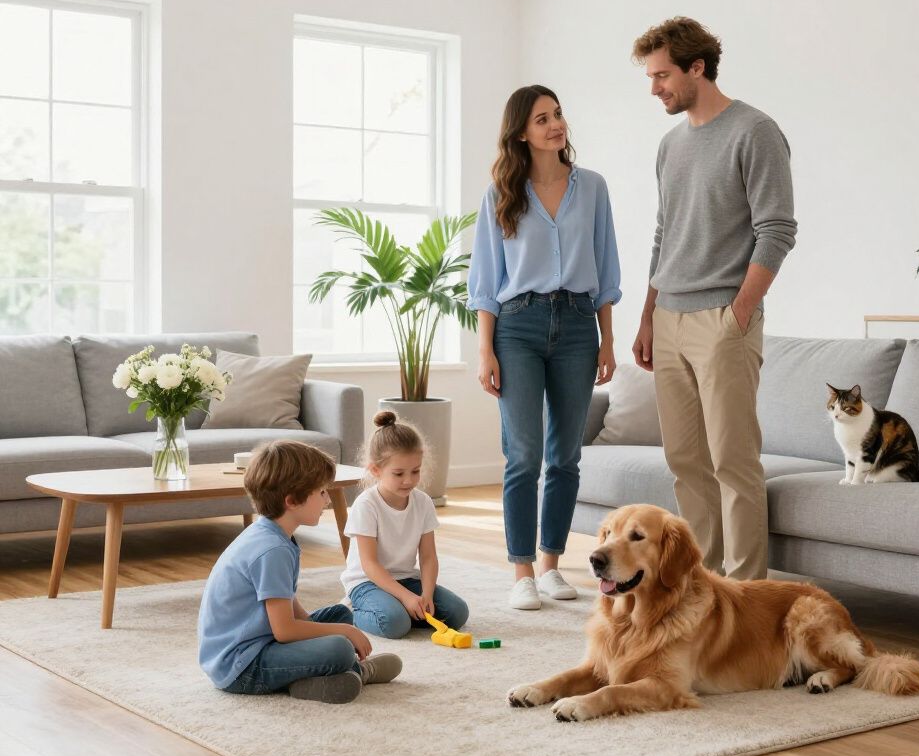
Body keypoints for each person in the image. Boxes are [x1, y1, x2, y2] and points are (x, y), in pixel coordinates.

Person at [631, 16, 797, 581]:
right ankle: (702, 584)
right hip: (669, 317)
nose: (655, 88)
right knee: (685, 461)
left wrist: (740, 311)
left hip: (723, 318)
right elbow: (664, 234)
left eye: (662, 76)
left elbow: (777, 229)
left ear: (697, 68)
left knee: (733, 461)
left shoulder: (755, 131)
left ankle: (745, 591)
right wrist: (648, 317)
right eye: (651, 78)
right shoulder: (670, 145)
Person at [469, 84, 621, 610]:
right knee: (523, 455)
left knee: (565, 455)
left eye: (557, 114)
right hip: (518, 326)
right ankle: (522, 572)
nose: (556, 125)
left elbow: (605, 267)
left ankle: (552, 565)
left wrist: (607, 339)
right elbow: (486, 281)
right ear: (520, 132)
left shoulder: (592, 187)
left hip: (579, 324)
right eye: (541, 119)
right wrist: (485, 350)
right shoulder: (500, 193)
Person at [197, 439, 402, 703]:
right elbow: (285, 631)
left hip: (260, 642)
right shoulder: (272, 550)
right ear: (292, 500)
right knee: (340, 646)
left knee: (340, 615)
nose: (327, 500)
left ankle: (318, 677)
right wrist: (345, 633)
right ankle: (357, 671)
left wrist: (333, 628)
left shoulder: (271, 534)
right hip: (243, 667)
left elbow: (289, 605)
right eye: (322, 492)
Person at [342, 411, 469, 638]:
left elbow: (428, 557)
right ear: (376, 470)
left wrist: (426, 594)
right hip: (367, 583)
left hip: (407, 579)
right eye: (399, 473)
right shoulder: (366, 505)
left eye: (415, 471)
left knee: (457, 613)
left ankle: (401, 609)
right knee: (395, 624)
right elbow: (369, 564)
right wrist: (406, 597)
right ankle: (349, 612)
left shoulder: (423, 502)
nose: (408, 480)